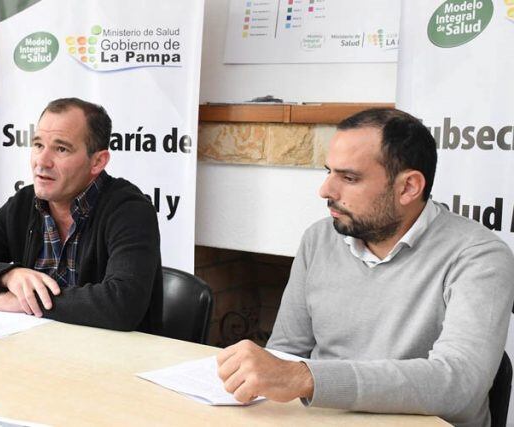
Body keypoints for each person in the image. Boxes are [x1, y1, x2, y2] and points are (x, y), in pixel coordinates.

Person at [216, 108, 514, 427]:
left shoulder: (479, 256)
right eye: (328, 172)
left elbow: (459, 384)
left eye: (349, 178)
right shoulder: (319, 239)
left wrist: (308, 379)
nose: (326, 191)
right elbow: (287, 352)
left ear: (408, 187)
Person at [0, 97, 162, 332]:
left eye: (61, 148)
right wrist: (8, 276)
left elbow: (122, 305)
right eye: (38, 145)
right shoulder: (25, 203)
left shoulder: (129, 210)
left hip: (115, 359)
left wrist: (27, 301)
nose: (42, 161)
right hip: (41, 350)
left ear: (97, 162)